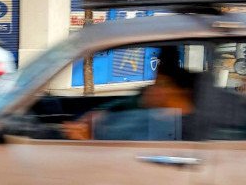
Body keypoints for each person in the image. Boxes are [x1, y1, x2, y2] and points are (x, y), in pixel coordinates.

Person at [62, 49, 198, 141]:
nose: (152, 90)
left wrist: (88, 139)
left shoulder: (174, 127)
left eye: (162, 84)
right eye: (156, 83)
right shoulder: (151, 112)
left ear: (180, 92)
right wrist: (99, 115)